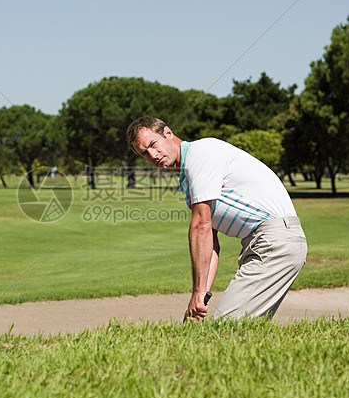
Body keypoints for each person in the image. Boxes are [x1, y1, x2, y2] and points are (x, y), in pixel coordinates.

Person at [126, 116, 307, 321]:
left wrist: (198, 292)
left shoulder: (200, 154)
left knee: (226, 326)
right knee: (244, 328)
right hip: (267, 243)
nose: (152, 154)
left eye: (153, 144)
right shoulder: (189, 175)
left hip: (275, 242)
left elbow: (201, 225)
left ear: (168, 133)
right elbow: (211, 243)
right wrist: (202, 297)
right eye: (144, 153)